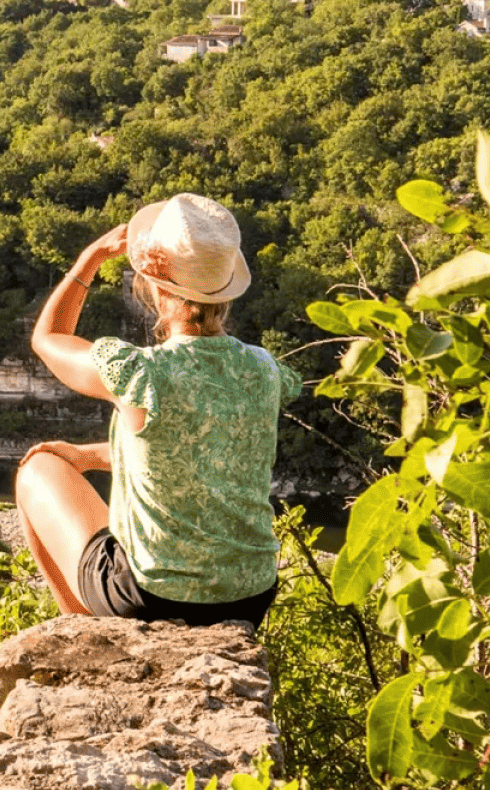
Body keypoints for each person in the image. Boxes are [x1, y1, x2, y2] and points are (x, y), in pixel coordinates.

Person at [15, 193, 298, 627]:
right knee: (67, 459)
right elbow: (199, 446)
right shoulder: (265, 370)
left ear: (152, 283)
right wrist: (90, 456)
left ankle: (77, 629)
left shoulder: (140, 373)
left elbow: (48, 339)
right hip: (249, 597)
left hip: (150, 598)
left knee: (39, 467)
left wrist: (88, 260)